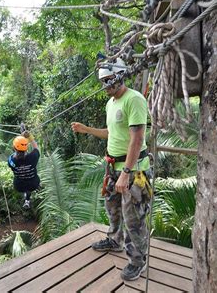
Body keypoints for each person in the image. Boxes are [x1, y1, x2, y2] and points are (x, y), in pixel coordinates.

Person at [71, 58, 152, 281]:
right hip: (114, 167)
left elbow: (137, 139)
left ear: (119, 76)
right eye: (103, 81)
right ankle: (115, 240)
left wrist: (126, 172)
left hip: (133, 170)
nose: (105, 85)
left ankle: (138, 261)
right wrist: (86, 129)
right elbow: (111, 133)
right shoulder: (111, 103)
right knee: (113, 209)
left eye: (108, 80)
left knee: (133, 217)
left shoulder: (134, 99)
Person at [7, 131, 40, 209]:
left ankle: (26, 196)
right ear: (26, 147)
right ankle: (27, 197)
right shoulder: (33, 157)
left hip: (19, 186)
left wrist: (20, 140)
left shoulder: (11, 160)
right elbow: (36, 148)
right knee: (30, 183)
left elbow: (13, 157)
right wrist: (30, 138)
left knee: (22, 182)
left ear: (14, 147)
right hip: (33, 184)